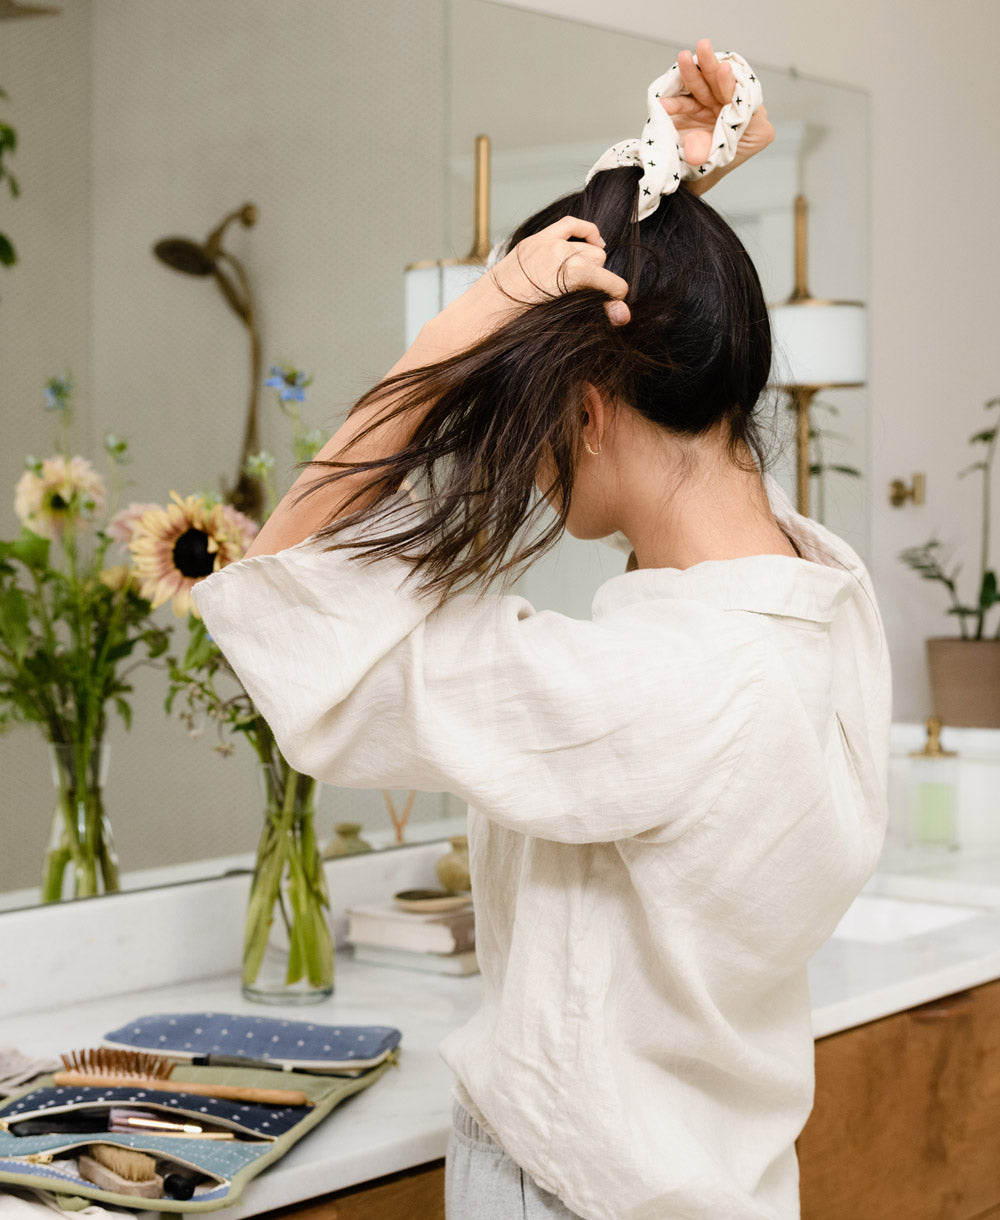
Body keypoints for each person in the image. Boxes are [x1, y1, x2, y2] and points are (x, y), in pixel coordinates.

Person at [194, 39, 890, 1220]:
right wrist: (655, 201)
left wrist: (477, 320)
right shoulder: (823, 598)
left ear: (584, 402)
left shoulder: (651, 679)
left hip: (569, 1192)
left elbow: (285, 578)